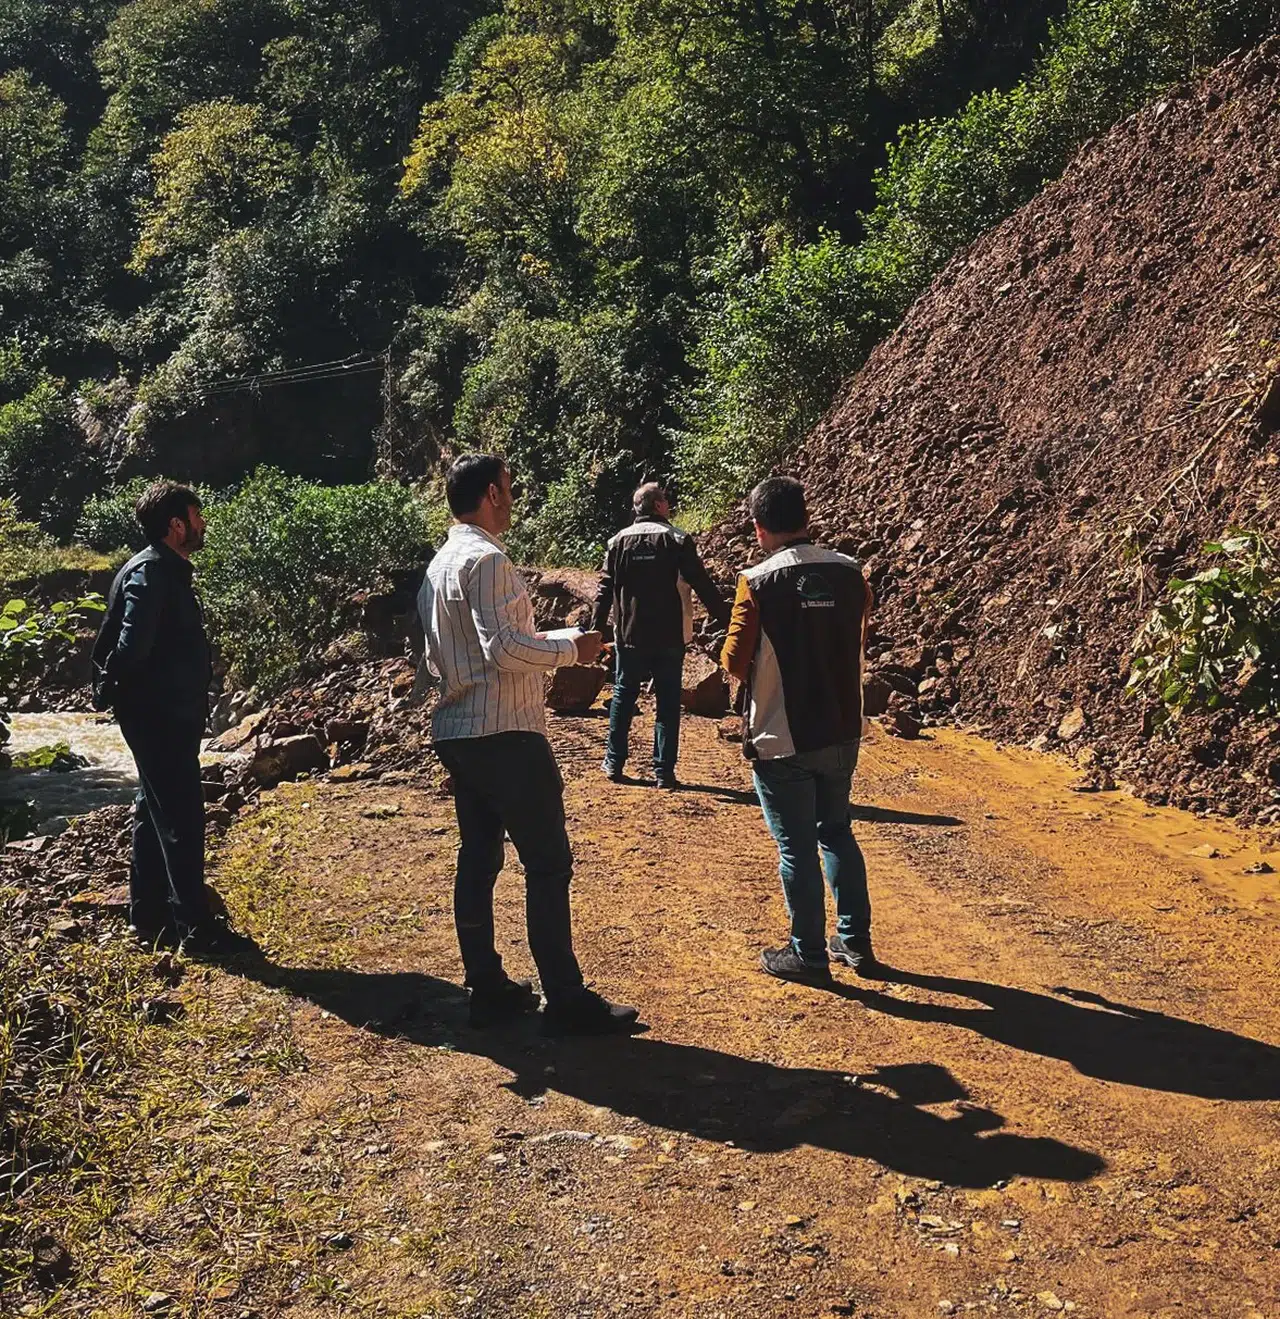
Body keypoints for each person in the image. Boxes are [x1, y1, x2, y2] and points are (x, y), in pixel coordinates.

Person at [419, 453, 641, 1034]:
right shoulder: (488, 559)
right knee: (547, 861)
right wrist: (574, 650)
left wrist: (553, 639)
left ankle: (486, 984)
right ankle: (565, 998)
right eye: (509, 489)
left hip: (458, 728)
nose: (512, 499)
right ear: (492, 493)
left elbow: (443, 657)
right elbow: (507, 650)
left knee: (479, 858)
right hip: (506, 731)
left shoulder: (440, 564)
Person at [719, 476, 878, 984]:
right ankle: (853, 941)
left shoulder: (757, 582)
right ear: (806, 517)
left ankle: (807, 953)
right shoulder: (853, 574)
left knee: (795, 847)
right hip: (841, 728)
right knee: (836, 833)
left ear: (759, 526)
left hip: (782, 734)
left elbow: (734, 660)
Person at [91, 480, 233, 953]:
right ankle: (195, 928)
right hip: (158, 715)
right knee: (182, 817)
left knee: (154, 810)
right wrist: (116, 690)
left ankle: (149, 916)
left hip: (162, 712)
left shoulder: (162, 569)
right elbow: (133, 644)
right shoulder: (151, 573)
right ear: (176, 525)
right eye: (196, 515)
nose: (202, 523)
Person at [591, 482, 730, 788]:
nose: (668, 504)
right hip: (670, 636)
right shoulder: (677, 539)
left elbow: (604, 590)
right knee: (667, 702)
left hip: (629, 635)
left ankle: (614, 763)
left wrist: (594, 631)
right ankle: (663, 772)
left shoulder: (617, 542)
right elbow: (702, 584)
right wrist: (728, 620)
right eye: (665, 500)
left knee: (623, 696)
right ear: (657, 506)